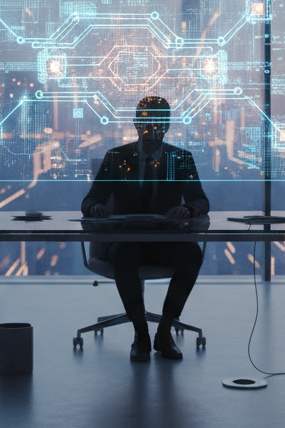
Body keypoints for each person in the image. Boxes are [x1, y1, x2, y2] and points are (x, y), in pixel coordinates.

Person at [81, 95, 210, 362]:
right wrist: (95, 208)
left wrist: (187, 209)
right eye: (146, 122)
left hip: (165, 241)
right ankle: (141, 333)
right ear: (136, 124)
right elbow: (90, 200)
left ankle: (164, 330)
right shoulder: (116, 157)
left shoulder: (181, 158)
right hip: (127, 241)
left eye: (158, 123)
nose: (152, 128)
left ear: (167, 126)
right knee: (126, 256)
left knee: (192, 255)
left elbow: (201, 201)